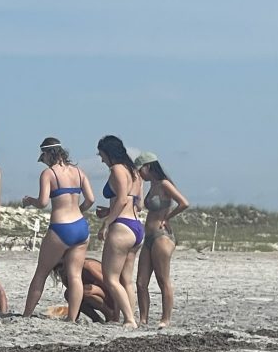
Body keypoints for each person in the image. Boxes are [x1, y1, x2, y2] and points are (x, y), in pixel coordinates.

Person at [21, 137, 94, 321]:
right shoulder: (79, 172)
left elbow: (43, 202)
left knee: (41, 272)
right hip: (80, 226)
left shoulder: (49, 174)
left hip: (61, 227)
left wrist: (30, 201)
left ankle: (27, 314)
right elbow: (91, 199)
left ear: (47, 154)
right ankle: (72, 317)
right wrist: (79, 210)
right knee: (75, 275)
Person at [134, 151, 190, 328]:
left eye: (140, 169)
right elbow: (141, 207)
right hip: (149, 236)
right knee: (141, 282)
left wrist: (168, 218)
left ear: (148, 166)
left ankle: (165, 319)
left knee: (162, 279)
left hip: (161, 237)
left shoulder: (165, 184)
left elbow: (184, 203)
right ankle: (143, 319)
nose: (139, 173)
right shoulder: (151, 186)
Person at [96, 135, 143, 329]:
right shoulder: (135, 173)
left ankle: (130, 319)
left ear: (109, 153)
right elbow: (137, 203)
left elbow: (122, 199)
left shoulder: (117, 169)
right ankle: (129, 318)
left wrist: (107, 222)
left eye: (101, 155)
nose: (101, 159)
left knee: (111, 278)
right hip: (136, 226)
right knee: (126, 279)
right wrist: (109, 210)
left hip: (122, 227)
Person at [53, 256, 117, 323]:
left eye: (61, 265)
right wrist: (73, 316)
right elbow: (73, 297)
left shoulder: (88, 266)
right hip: (99, 295)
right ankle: (96, 319)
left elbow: (111, 286)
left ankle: (109, 314)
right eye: (56, 267)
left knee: (86, 291)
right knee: (69, 294)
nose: (60, 270)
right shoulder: (64, 273)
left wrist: (116, 314)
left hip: (112, 297)